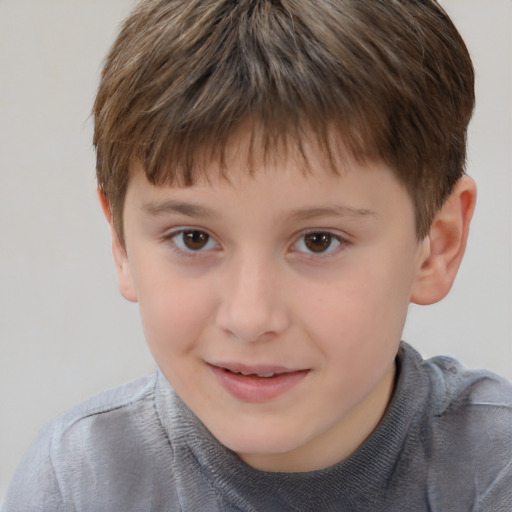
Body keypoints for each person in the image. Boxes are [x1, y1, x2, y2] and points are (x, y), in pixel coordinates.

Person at [3, 0, 511, 510]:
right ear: (121, 241)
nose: (250, 319)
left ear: (436, 245)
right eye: (194, 238)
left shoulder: (495, 471)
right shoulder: (76, 483)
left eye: (318, 241)